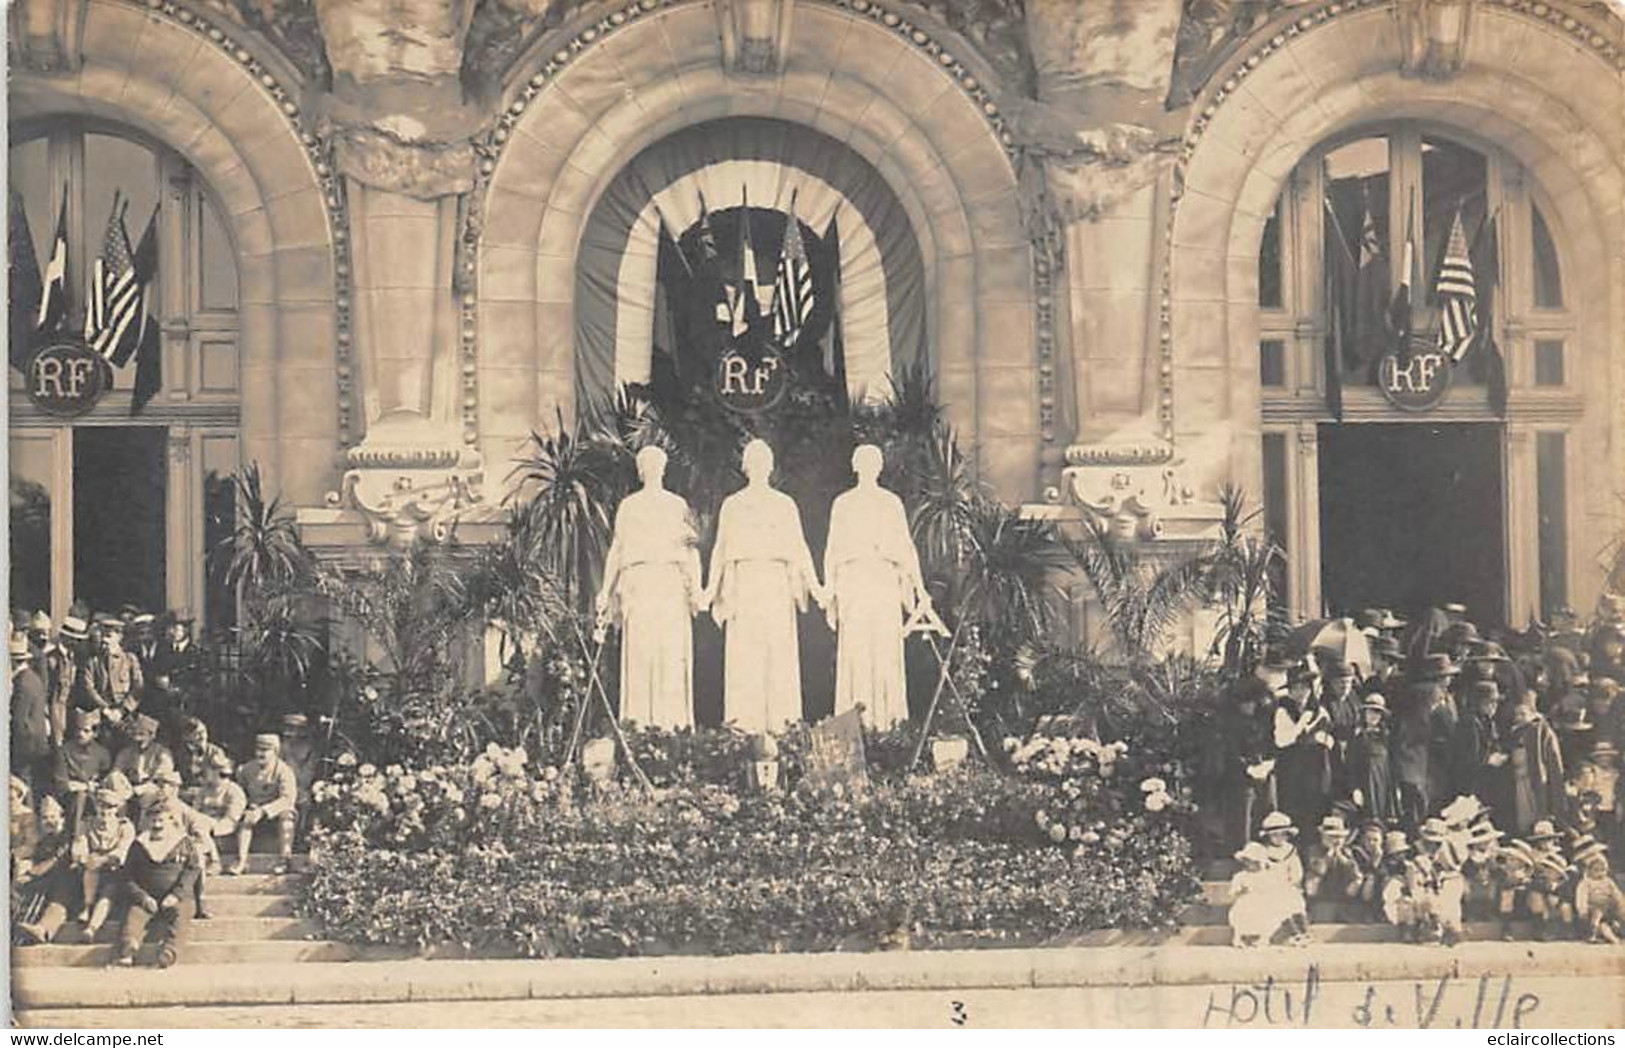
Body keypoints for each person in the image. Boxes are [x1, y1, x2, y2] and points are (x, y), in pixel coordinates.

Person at [705, 440, 822, 733]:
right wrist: (709, 590)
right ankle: (743, 729)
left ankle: (783, 729)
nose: (758, 467)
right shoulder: (732, 505)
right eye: (752, 461)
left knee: (778, 654)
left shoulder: (784, 505)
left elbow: (799, 548)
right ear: (746, 467)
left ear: (770, 467)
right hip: (744, 585)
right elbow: (720, 549)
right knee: (745, 657)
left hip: (776, 584)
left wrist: (817, 587)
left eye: (763, 461)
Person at [595, 446, 705, 729]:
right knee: (641, 654)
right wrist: (605, 590)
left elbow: (690, 550)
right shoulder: (629, 507)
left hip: (669, 585)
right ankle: (639, 726)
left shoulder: (677, 505)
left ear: (664, 468)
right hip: (640, 585)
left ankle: (672, 726)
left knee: (670, 653)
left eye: (658, 463)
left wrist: (696, 588)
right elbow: (618, 550)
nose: (653, 468)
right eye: (648, 464)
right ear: (641, 471)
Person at [823, 445, 929, 729]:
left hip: (882, 584)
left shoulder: (890, 503)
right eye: (864, 461)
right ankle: (853, 726)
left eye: (874, 461)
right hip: (855, 584)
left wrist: (920, 590)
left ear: (880, 467)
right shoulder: (843, 504)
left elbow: (906, 550)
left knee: (884, 652)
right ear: (855, 466)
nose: (869, 466)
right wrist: (831, 590)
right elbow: (833, 551)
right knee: (856, 652)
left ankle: (887, 725)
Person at [112, 802, 202, 968]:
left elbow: (192, 871)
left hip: (178, 897)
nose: (157, 825)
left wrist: (176, 895)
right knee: (134, 916)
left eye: (161, 821)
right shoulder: (139, 845)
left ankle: (169, 953)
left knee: (180, 918)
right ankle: (128, 949)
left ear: (171, 822)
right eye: (153, 821)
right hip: (147, 897)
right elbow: (127, 876)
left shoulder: (184, 843)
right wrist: (142, 897)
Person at [1216, 675, 1278, 853]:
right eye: (1245, 703)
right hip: (1240, 775)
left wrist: (1267, 764)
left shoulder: (1263, 722)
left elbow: (1271, 746)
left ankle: (1268, 849)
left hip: (1265, 771)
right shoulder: (1230, 725)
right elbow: (1231, 752)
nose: (1249, 706)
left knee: (1268, 808)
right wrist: (1248, 768)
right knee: (1242, 813)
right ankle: (1242, 852)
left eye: (1252, 702)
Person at [1273, 663, 1333, 831]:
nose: (1301, 693)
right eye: (1296, 688)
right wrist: (1303, 723)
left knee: (1314, 807)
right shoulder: (1283, 711)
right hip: (1292, 766)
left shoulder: (1318, 710)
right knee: (1292, 807)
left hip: (1314, 768)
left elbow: (1329, 736)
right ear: (1290, 691)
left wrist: (1322, 738)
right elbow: (1282, 740)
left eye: (1305, 688)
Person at [186, 751, 247, 919]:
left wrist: (210, 825)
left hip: (226, 833)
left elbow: (232, 820)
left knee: (200, 823)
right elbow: (194, 812)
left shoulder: (234, 791)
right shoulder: (203, 791)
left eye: (213, 770)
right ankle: (200, 900)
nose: (208, 774)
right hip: (203, 833)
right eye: (209, 769)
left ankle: (215, 861)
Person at [74, 786, 136, 941]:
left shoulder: (125, 827)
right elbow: (79, 845)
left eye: (110, 807)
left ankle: (91, 928)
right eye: (101, 806)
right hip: (90, 869)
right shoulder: (87, 824)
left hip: (114, 869)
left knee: (108, 893)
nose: (105, 811)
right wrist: (84, 858)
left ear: (117, 808)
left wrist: (103, 860)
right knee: (91, 868)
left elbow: (123, 850)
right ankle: (87, 908)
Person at [233, 733, 300, 875]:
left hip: (275, 812)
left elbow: (287, 799)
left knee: (287, 816)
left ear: (275, 751)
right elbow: (239, 794)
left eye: (265, 750)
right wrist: (247, 807)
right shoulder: (246, 770)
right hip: (254, 810)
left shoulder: (284, 771)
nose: (260, 754)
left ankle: (285, 859)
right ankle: (241, 860)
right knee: (245, 820)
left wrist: (263, 811)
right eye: (258, 749)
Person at [1503, 692, 1567, 834]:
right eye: (1516, 714)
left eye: (1523, 713)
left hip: (1534, 781)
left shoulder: (1541, 731)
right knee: (1521, 818)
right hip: (1518, 782)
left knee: (1537, 813)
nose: (1519, 718)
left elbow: (1553, 761)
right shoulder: (1514, 733)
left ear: (1533, 713)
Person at [1452, 680, 1507, 814]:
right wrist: (1489, 760)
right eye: (1490, 702)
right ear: (1479, 702)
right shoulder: (1469, 722)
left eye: (1496, 702)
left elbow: (1494, 743)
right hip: (1470, 782)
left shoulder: (1488, 721)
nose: (1494, 706)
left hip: (1485, 780)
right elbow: (1468, 757)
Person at [53, 708, 112, 831]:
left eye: (86, 731)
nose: (81, 734)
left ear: (95, 733)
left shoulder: (102, 753)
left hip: (95, 796)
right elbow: (61, 784)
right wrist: (84, 786)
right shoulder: (64, 751)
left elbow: (104, 779)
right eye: (78, 729)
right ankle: (75, 835)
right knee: (80, 796)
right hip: (70, 798)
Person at [1346, 693, 1399, 822]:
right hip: (1366, 782)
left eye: (1377, 713)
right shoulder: (1358, 738)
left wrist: (1396, 787)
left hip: (1384, 783)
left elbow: (1393, 764)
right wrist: (1355, 789)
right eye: (1370, 712)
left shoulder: (1387, 737)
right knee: (1367, 817)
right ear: (1364, 714)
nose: (1373, 716)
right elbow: (1351, 766)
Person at [11, 630, 53, 792]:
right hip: (36, 741)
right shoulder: (33, 677)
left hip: (26, 743)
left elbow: (19, 720)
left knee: (21, 783)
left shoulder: (22, 683)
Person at [1415, 817, 1466, 946]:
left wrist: (1441, 874)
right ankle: (1432, 929)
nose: (1433, 844)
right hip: (1429, 881)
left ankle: (1452, 931)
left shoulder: (1451, 848)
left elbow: (1456, 868)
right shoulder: (1419, 847)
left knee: (1449, 902)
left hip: (1451, 878)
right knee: (1427, 899)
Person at [82, 616, 144, 721]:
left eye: (109, 636)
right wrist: (105, 708)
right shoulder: (93, 661)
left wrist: (123, 710)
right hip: (101, 712)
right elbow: (89, 687)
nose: (105, 640)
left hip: (125, 714)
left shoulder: (129, 659)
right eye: (102, 636)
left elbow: (138, 687)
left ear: (119, 637)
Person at [1228, 841, 1288, 947]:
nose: (1250, 864)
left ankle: (1264, 937)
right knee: (1241, 912)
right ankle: (1239, 937)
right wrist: (1240, 891)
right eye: (1247, 861)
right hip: (1246, 902)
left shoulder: (1267, 876)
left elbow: (1273, 891)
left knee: (1271, 913)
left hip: (1263, 902)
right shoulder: (1241, 876)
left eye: (1254, 862)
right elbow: (1232, 893)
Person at [113, 714, 177, 805]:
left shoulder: (162, 753)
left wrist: (140, 789)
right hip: (128, 787)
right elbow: (116, 771)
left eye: (141, 734)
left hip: (151, 788)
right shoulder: (126, 752)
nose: (137, 739)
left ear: (152, 735)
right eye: (135, 734)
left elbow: (162, 778)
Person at [1571, 840, 1622, 944]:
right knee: (1597, 914)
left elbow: (1617, 894)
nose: (1600, 873)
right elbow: (1581, 897)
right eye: (1596, 870)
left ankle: (1614, 935)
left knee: (1606, 925)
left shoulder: (1608, 881)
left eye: (1603, 870)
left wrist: (1620, 904)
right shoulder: (1586, 882)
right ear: (1588, 870)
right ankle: (1592, 933)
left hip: (1607, 909)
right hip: (1591, 910)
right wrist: (1583, 910)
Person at [1304, 813, 1360, 900]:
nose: (1337, 841)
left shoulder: (1346, 852)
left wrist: (1340, 856)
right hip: (1322, 897)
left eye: (1340, 837)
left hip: (1343, 897)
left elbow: (1353, 871)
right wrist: (1329, 854)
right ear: (1323, 836)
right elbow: (1318, 870)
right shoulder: (1315, 850)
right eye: (1332, 837)